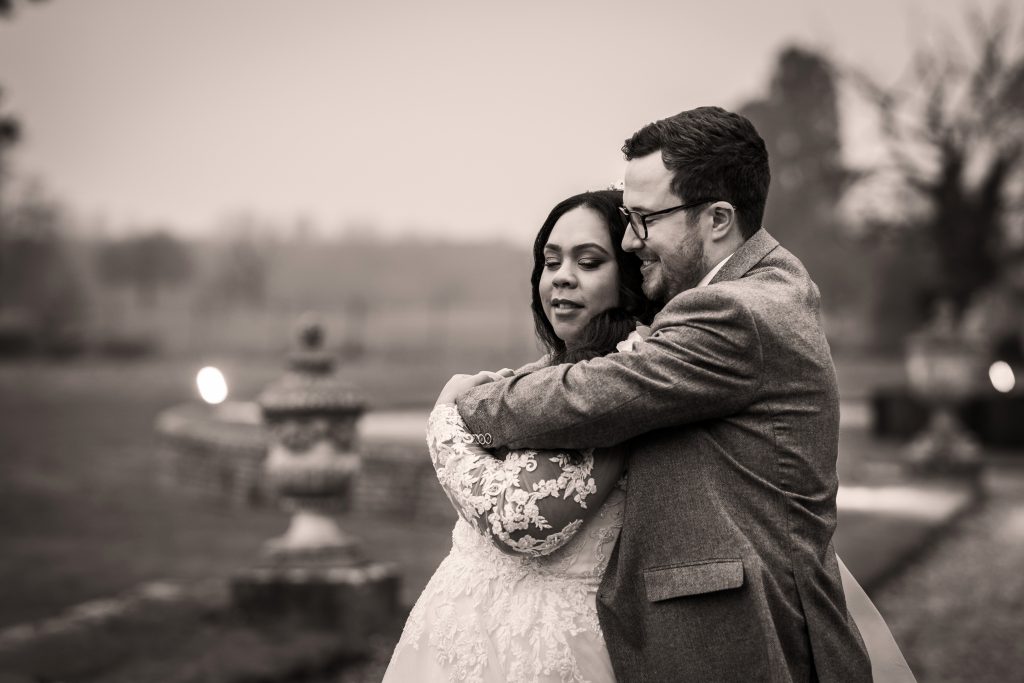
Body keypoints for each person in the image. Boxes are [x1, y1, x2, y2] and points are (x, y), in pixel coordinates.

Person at [447, 107, 913, 681]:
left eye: (644, 219)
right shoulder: (767, 285)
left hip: (741, 637)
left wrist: (468, 402)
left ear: (718, 218)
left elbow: (591, 396)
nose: (628, 239)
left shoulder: (732, 312)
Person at [382, 189, 654, 682]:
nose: (562, 276)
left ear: (629, 277)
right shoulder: (546, 373)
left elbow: (523, 520)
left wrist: (445, 420)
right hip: (455, 635)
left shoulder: (621, 376)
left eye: (589, 262)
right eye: (551, 262)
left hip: (541, 650)